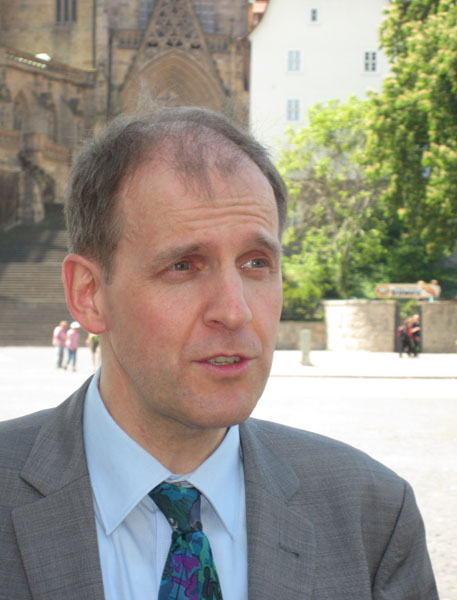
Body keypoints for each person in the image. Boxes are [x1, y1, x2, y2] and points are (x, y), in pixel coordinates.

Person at [0, 107, 438, 599]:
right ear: (89, 294)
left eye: (256, 263)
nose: (234, 311)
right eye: (183, 266)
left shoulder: (372, 515)